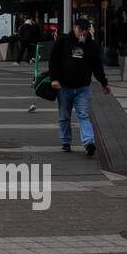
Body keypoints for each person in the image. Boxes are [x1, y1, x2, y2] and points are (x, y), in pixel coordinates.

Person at [48, 17, 111, 156]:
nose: (83, 32)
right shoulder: (63, 41)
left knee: (83, 115)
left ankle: (89, 142)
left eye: (86, 30)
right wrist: (54, 80)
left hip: (83, 87)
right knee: (64, 116)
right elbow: (54, 61)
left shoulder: (91, 45)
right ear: (74, 28)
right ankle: (65, 141)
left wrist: (104, 83)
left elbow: (97, 66)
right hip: (64, 87)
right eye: (81, 29)